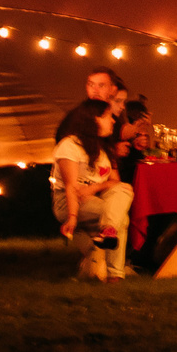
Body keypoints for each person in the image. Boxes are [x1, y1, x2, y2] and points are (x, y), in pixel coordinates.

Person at [53, 98, 136, 282]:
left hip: (95, 198)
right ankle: (115, 274)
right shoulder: (70, 145)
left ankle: (108, 233)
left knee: (124, 188)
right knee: (120, 217)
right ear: (93, 119)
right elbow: (70, 186)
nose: (113, 121)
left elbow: (115, 182)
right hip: (69, 201)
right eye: (107, 116)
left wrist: (95, 187)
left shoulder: (104, 148)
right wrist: (72, 217)